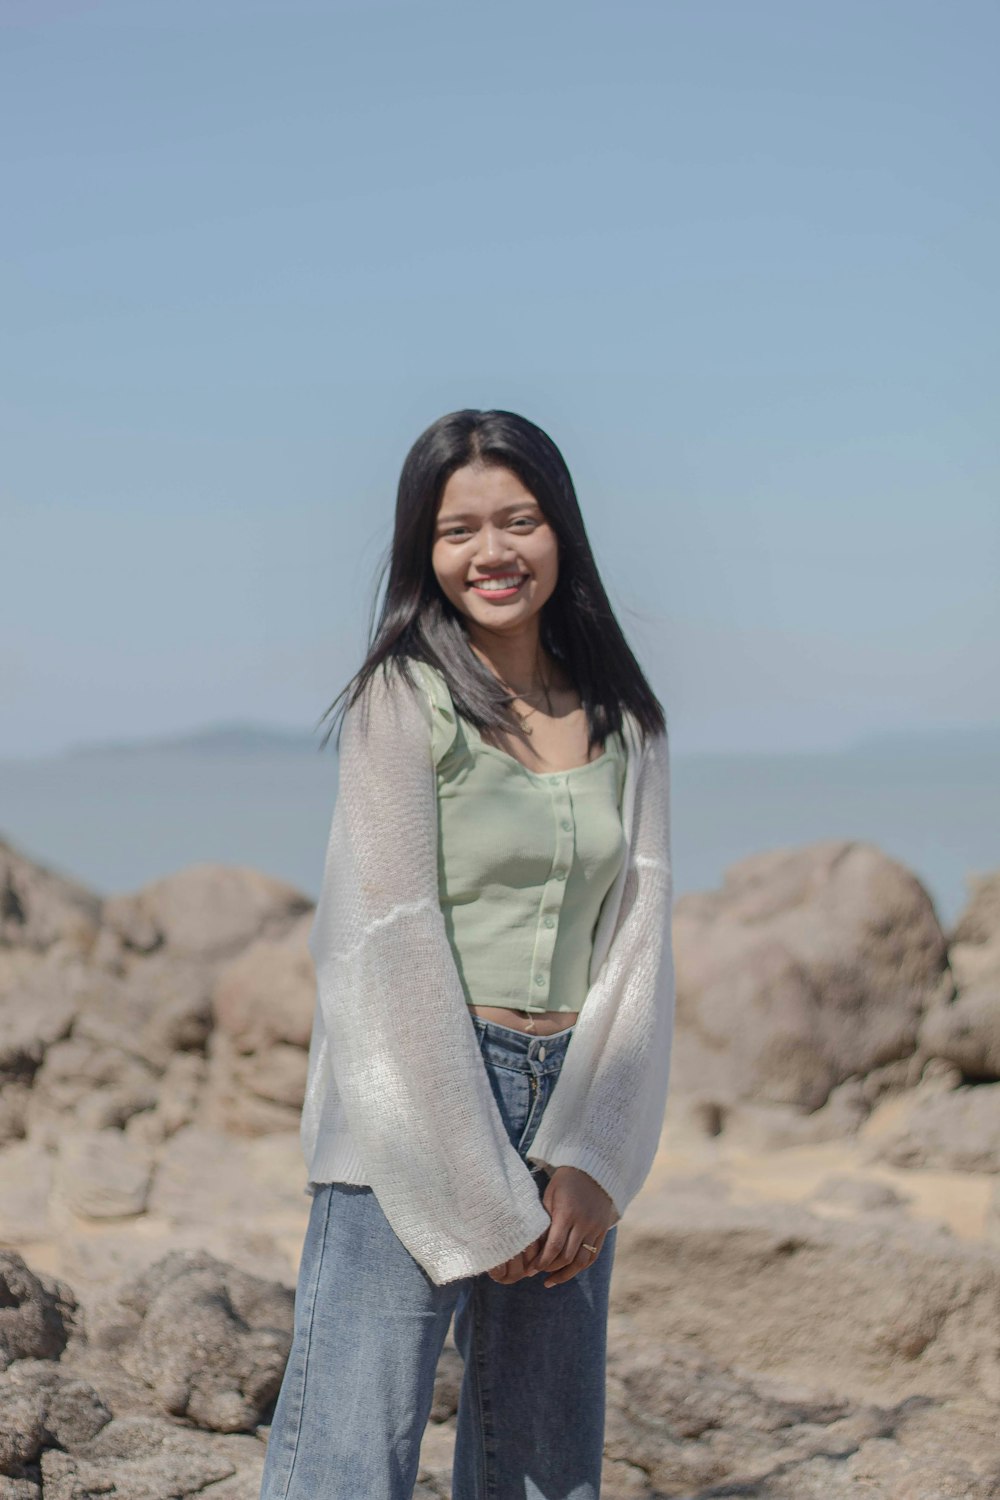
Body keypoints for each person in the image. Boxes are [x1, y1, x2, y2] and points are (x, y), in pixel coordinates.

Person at [258, 408, 674, 1500]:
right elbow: (379, 941)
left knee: (542, 1468)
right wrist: (476, 1188)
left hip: (570, 1098)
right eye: (458, 531)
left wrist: (596, 1155)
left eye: (518, 521)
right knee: (350, 1456)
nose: (491, 552)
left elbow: (638, 937)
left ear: (561, 532)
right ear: (425, 553)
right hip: (407, 1099)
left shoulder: (627, 720)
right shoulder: (404, 698)